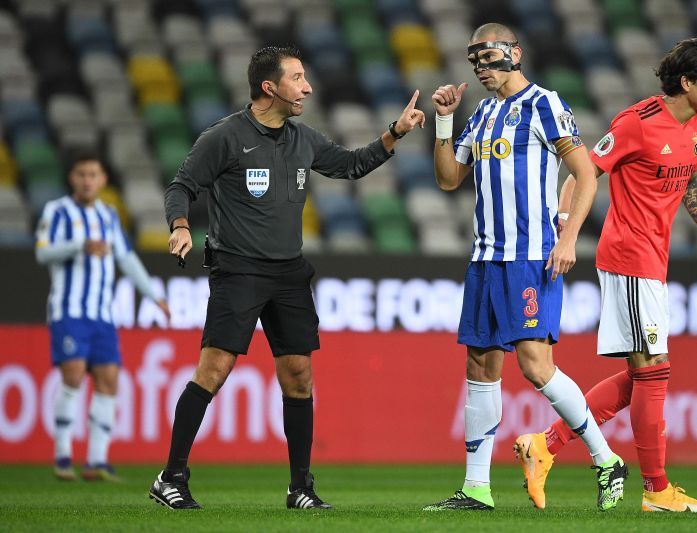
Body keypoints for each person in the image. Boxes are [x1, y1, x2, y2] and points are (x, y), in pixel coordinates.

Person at [148, 45, 425, 510]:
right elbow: (181, 186)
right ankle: (170, 475)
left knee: (299, 377)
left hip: (289, 273)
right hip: (238, 269)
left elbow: (351, 164)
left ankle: (301, 488)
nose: (308, 87)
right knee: (213, 370)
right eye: (298, 78)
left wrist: (395, 131)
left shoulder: (303, 138)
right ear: (269, 87)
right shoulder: (225, 137)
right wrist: (179, 227)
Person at [529, 37, 697, 513]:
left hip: (655, 260)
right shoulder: (636, 124)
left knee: (646, 374)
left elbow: (688, 181)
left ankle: (545, 445)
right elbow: (581, 171)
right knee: (654, 372)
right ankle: (656, 489)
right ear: (687, 82)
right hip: (629, 257)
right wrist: (564, 228)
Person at [422, 23, 627, 512]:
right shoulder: (483, 115)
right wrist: (446, 122)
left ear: (514, 54)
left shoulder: (545, 104)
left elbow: (584, 175)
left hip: (531, 255)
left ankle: (605, 459)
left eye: (489, 59)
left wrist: (570, 237)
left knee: (536, 366)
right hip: (486, 257)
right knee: (480, 364)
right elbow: (450, 178)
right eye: (475, 62)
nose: (482, 69)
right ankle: (476, 488)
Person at [35, 151, 170, 482]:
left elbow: (127, 260)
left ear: (102, 180)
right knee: (74, 375)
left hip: (102, 314)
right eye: (81, 174)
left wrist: (154, 295)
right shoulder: (56, 212)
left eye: (92, 174)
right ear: (72, 178)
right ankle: (63, 455)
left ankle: (97, 460)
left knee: (109, 380)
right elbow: (42, 253)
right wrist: (79, 245)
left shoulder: (109, 216)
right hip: (69, 310)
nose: (86, 180)